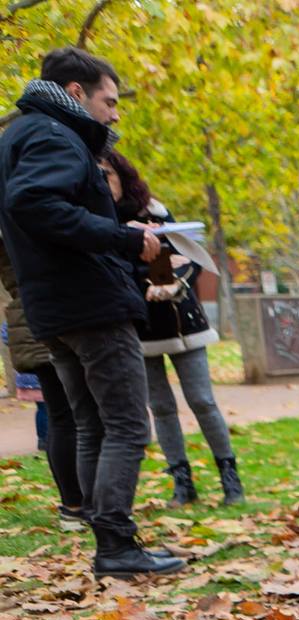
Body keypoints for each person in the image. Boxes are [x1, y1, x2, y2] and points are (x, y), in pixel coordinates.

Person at [0, 47, 181, 576]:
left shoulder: (20, 135)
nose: (116, 112)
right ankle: (117, 545)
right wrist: (121, 237)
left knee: (91, 425)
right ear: (76, 93)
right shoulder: (52, 135)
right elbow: (36, 205)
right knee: (126, 424)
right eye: (110, 100)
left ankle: (111, 541)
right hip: (89, 303)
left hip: (54, 306)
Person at [103, 150, 243, 507]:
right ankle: (182, 482)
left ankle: (230, 478)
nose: (101, 182)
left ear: (122, 174)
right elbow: (109, 272)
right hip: (138, 326)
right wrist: (144, 277)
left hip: (182, 321)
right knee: (160, 406)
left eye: (106, 174)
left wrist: (174, 276)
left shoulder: (155, 211)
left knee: (202, 399)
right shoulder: (97, 220)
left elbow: (190, 257)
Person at [0, 236, 85, 526]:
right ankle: (83, 504)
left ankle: (73, 507)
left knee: (61, 416)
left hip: (30, 318)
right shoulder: (27, 205)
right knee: (75, 416)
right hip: (55, 315)